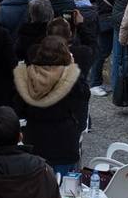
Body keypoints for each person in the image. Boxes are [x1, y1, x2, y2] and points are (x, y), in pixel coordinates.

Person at [12, 36, 90, 173]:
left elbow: (18, 109)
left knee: (36, 188)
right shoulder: (73, 79)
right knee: (65, 189)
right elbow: (82, 100)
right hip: (65, 142)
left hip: (36, 140)